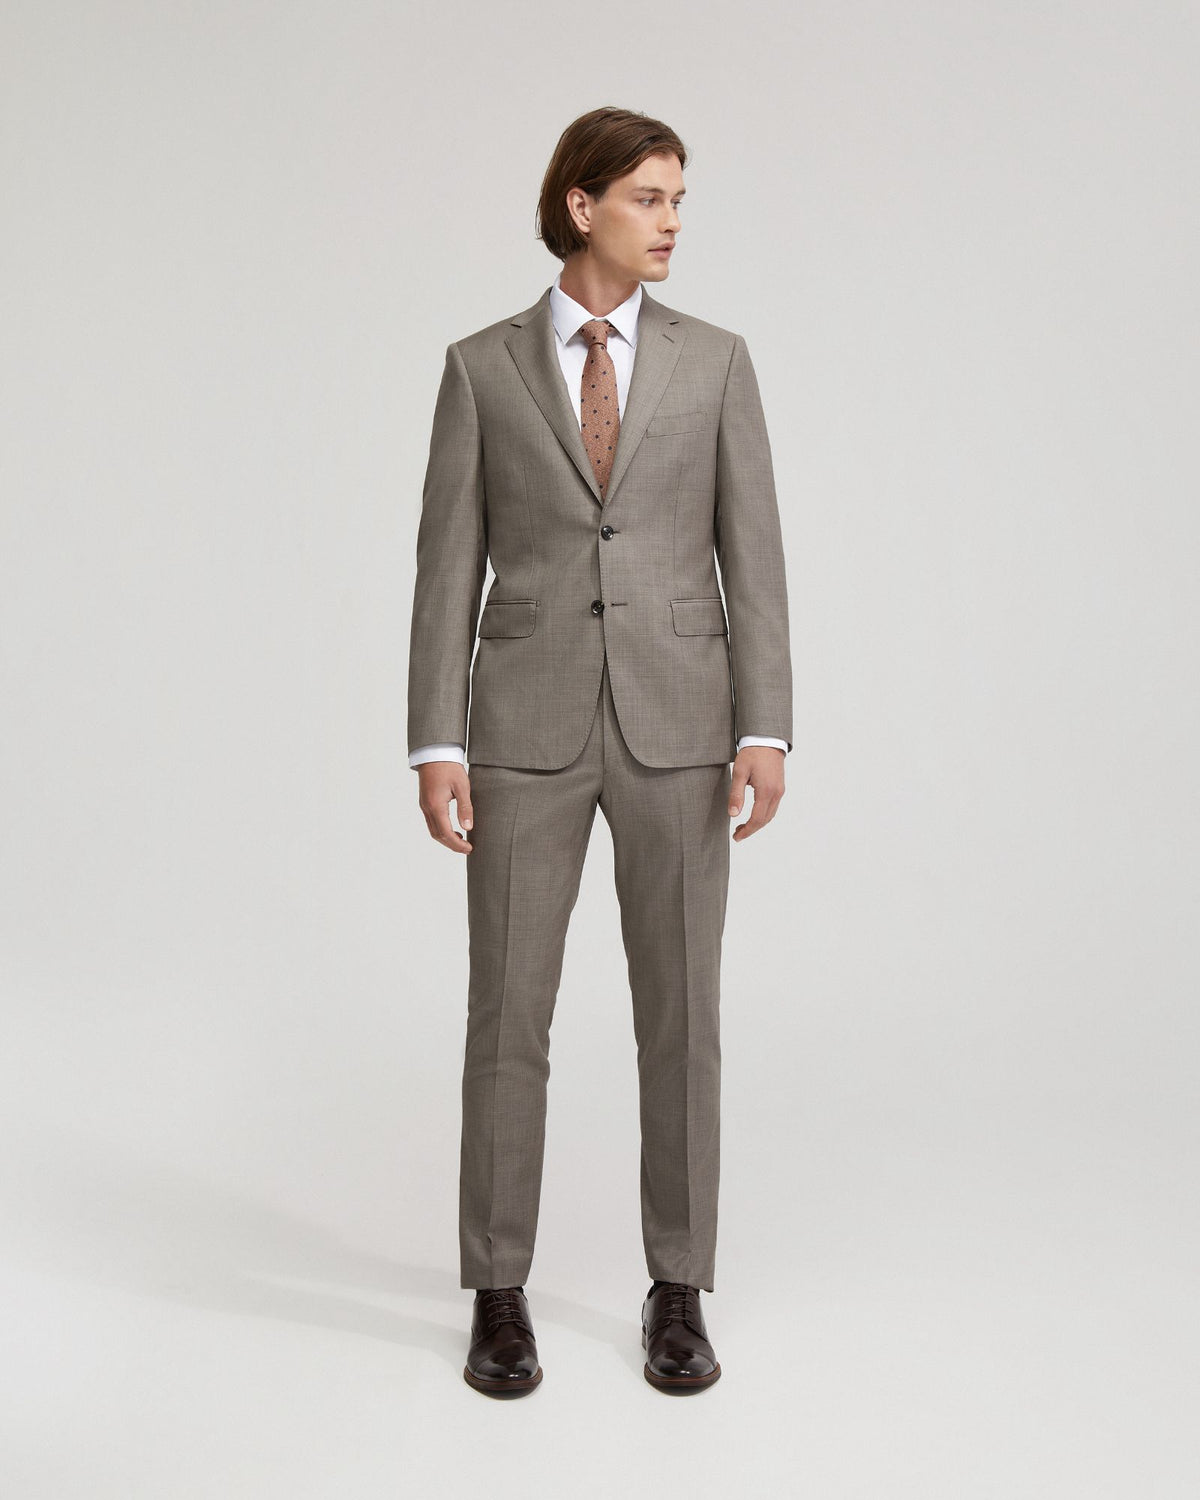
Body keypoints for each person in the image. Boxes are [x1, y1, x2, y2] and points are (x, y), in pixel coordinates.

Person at [407, 106, 793, 1397]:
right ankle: (497, 1292)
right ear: (582, 207)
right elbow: (447, 567)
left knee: (682, 1016)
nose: (673, 221)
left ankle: (678, 1289)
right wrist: (437, 737)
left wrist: (764, 724)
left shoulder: (716, 361)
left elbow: (755, 555)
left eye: (680, 198)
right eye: (649, 197)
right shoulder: (480, 368)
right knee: (506, 1013)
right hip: (521, 728)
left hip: (683, 721)